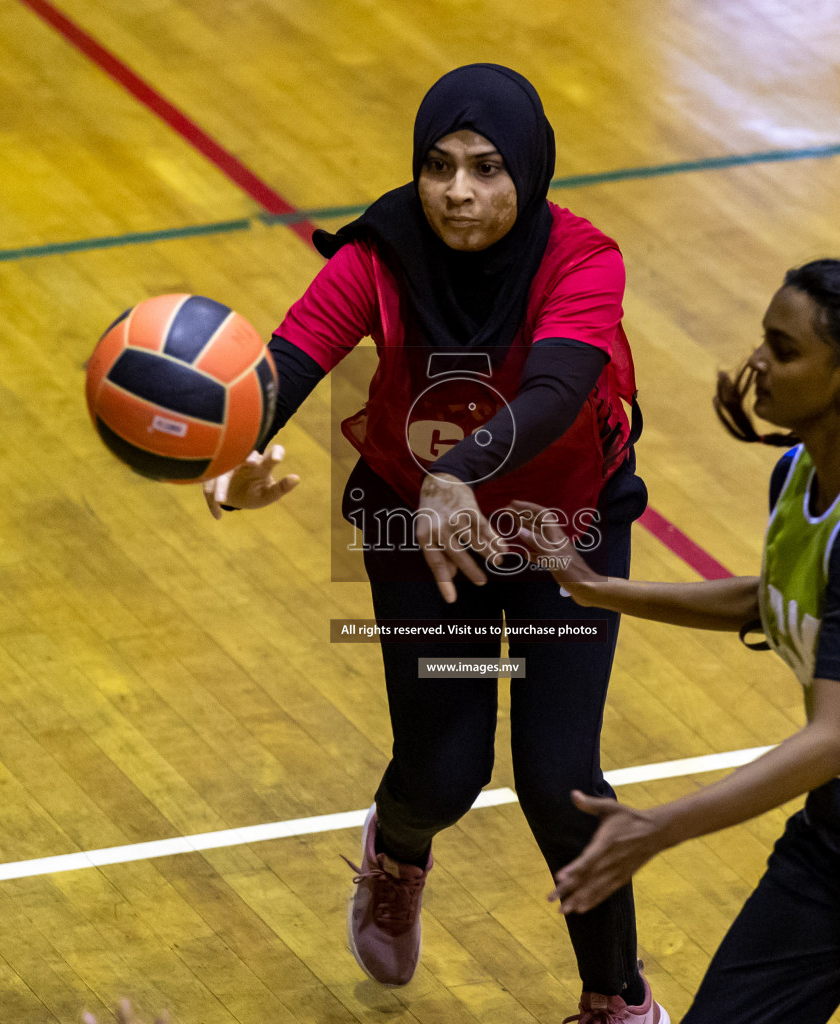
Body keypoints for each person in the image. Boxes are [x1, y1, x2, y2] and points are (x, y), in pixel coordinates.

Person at [201, 64, 664, 1023]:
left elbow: (555, 390)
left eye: (489, 169)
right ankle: (397, 851)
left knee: (559, 777)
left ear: (529, 172)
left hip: (562, 529)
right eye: (439, 166)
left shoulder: (584, 260)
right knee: (446, 770)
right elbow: (288, 360)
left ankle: (618, 1002)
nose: (460, 192)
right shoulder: (381, 253)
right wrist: (229, 456)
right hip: (418, 528)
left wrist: (466, 471)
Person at [512, 260, 840, 1024]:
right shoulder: (801, 473)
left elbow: (829, 740)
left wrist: (661, 825)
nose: (757, 363)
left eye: (784, 351)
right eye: (764, 339)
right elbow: (774, 598)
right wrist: (597, 588)